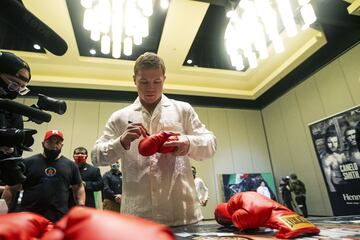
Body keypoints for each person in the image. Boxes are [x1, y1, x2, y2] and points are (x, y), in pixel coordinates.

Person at [92, 52, 217, 226]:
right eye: (144, 82)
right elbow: (96, 157)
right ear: (134, 79)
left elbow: (211, 144)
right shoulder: (119, 117)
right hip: (137, 217)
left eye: (157, 81)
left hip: (183, 214)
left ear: (164, 79)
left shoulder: (183, 110)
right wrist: (120, 142)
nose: (151, 87)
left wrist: (187, 142)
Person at [2, 130, 86, 222]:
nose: (54, 146)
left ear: (62, 145)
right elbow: (10, 188)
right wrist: (3, 213)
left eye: (57, 143)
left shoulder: (70, 165)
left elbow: (78, 186)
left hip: (58, 216)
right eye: (50, 142)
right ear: (43, 144)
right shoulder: (27, 163)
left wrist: (81, 206)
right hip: (29, 216)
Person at [0, 51, 31, 175]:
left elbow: (17, 152)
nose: (17, 90)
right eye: (14, 84)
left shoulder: (14, 112)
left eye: (22, 88)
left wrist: (10, 150)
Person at [321, 126, 346, 192]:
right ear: (326, 143)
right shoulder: (326, 159)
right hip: (338, 187)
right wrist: (333, 191)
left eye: (335, 142)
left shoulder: (343, 153)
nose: (333, 145)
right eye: (330, 142)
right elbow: (328, 181)